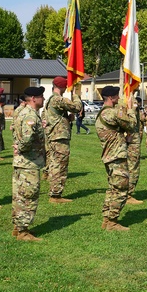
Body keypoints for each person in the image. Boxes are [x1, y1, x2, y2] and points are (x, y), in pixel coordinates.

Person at [95, 85, 136, 231]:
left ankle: (107, 218)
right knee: (121, 189)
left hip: (109, 156)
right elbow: (131, 124)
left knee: (112, 188)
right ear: (111, 98)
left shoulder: (102, 113)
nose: (119, 98)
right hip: (117, 156)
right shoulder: (112, 113)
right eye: (117, 96)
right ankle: (112, 222)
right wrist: (130, 109)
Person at [12, 86, 47, 241]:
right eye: (41, 97)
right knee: (28, 196)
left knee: (20, 196)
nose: (44, 99)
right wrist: (20, 148)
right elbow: (27, 139)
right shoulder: (29, 115)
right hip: (28, 162)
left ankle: (18, 227)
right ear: (34, 99)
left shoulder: (24, 112)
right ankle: (23, 231)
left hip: (24, 162)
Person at [43, 76, 83, 204]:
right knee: (60, 165)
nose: (67, 89)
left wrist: (66, 119)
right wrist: (76, 95)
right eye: (66, 86)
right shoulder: (57, 99)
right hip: (59, 137)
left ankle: (54, 193)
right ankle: (55, 195)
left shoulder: (50, 100)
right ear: (61, 87)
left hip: (54, 136)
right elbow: (77, 107)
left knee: (55, 163)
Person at [124, 95, 147, 205]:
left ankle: (124, 193)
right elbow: (131, 123)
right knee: (133, 167)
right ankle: (128, 195)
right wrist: (132, 108)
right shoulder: (128, 102)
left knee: (128, 166)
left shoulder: (125, 100)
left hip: (130, 139)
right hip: (132, 139)